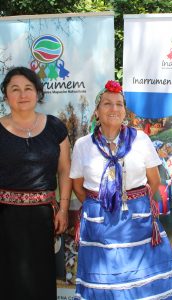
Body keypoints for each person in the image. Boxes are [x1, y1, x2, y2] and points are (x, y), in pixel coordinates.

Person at [70, 80, 172, 299]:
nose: (114, 109)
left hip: (137, 221)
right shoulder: (83, 144)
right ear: (96, 111)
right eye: (107, 104)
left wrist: (133, 203)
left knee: (139, 283)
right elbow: (78, 185)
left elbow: (154, 179)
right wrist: (101, 204)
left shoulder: (140, 139)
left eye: (119, 104)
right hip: (99, 224)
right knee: (104, 281)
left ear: (125, 111)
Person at [0, 66, 72, 300]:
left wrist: (63, 209)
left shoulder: (54, 127)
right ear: (6, 95)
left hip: (44, 218)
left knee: (41, 280)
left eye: (28, 88)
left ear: (38, 93)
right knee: (8, 280)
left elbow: (64, 170)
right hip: (5, 218)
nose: (23, 95)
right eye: (15, 89)